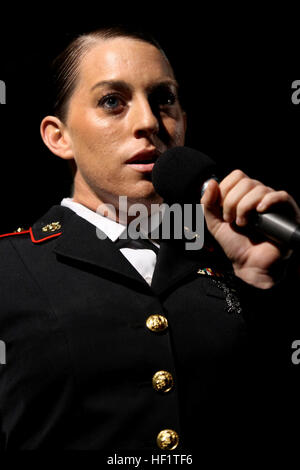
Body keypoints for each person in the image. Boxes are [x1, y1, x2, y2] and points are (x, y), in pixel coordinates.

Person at [0, 26, 299, 457]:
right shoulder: (8, 266)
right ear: (58, 136)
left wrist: (262, 283)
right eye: (112, 102)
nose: (148, 123)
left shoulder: (227, 259)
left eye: (164, 99)